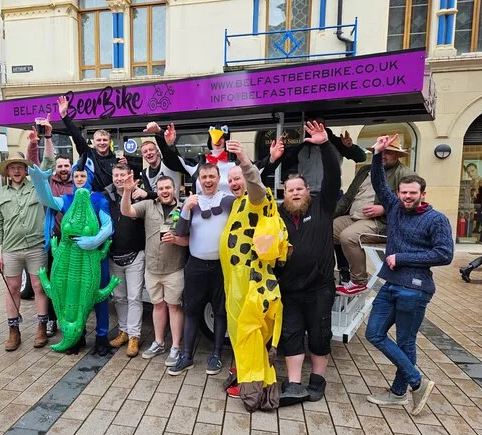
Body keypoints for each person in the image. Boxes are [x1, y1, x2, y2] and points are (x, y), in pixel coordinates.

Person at [364, 134, 453, 416]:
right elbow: (379, 183)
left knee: (405, 341)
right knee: (374, 333)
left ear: (422, 193)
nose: (407, 196)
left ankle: (399, 392)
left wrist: (402, 258)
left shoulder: (436, 219)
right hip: (391, 284)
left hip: (415, 289)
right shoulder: (394, 208)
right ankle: (417, 381)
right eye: (403, 192)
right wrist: (377, 155)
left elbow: (444, 254)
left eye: (412, 193)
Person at [219, 140, 291, 411]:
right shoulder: (239, 203)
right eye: (231, 180)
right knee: (240, 332)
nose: (234, 183)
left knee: (251, 333)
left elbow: (257, 186)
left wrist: (245, 162)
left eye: (237, 178)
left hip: (251, 281)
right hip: (236, 282)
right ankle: (243, 374)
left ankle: (256, 390)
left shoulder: (255, 199)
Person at [274, 121, 340, 406]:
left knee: (319, 335)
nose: (295, 193)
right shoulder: (277, 214)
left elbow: (334, 177)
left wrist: (325, 145)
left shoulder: (323, 206)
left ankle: (317, 380)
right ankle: (293, 383)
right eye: (290, 190)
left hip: (319, 288)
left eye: (299, 188)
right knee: (290, 335)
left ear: (308, 190)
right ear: (284, 194)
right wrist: (272, 161)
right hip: (289, 290)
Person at [30, 153, 115, 356]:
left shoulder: (98, 199)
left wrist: (94, 241)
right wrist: (39, 181)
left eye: (83, 176)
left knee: (99, 297)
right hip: (70, 260)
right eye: (76, 176)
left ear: (89, 177)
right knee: (74, 295)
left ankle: (102, 337)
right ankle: (79, 336)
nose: (79, 179)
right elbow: (47, 200)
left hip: (94, 257)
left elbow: (108, 226)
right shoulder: (67, 199)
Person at [170, 157, 241, 376]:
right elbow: (180, 232)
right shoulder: (192, 202)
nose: (208, 180)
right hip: (196, 265)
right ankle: (187, 356)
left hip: (222, 267)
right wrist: (185, 208)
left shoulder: (229, 201)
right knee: (191, 310)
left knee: (220, 312)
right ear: (198, 180)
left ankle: (216, 355)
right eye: (204, 177)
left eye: (212, 176)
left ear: (219, 178)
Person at [120, 174, 189, 367]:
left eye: (168, 187)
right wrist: (127, 191)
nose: (165, 191)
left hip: (174, 269)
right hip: (152, 268)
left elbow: (190, 240)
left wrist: (176, 240)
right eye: (161, 188)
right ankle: (159, 342)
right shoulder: (149, 205)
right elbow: (126, 211)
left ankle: (175, 347)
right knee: (158, 305)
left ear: (174, 189)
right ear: (157, 190)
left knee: (174, 307)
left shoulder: (183, 209)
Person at [0, 153, 51, 351]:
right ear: (7, 171)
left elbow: (48, 164)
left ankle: (41, 327)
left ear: (26, 170)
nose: (16, 170)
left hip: (36, 246)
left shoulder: (37, 187)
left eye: (20, 167)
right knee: (13, 287)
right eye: (12, 167)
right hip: (11, 248)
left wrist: (46, 139)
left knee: (39, 287)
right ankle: (13, 330)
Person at [333, 144, 414, 295]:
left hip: (380, 223)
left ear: (397, 155)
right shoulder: (365, 170)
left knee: (348, 237)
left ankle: (359, 282)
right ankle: (324, 274)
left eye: (388, 152)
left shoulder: (405, 174)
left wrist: (384, 209)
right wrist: (326, 217)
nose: (383, 155)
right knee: (322, 230)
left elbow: (412, 203)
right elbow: (348, 197)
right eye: (380, 152)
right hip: (354, 217)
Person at [26, 114, 73, 337]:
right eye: (60, 165)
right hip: (53, 240)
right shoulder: (48, 182)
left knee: (70, 283)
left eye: (67, 165)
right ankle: (52, 319)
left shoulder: (77, 184)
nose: (63, 168)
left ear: (72, 167)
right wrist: (38, 141)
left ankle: (70, 318)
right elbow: (34, 166)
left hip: (73, 243)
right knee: (54, 281)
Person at [146, 122, 283, 194]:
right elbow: (174, 162)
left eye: (222, 137)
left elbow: (258, 171)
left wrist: (272, 158)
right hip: (204, 216)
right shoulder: (199, 162)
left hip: (233, 218)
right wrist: (163, 137)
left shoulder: (238, 161)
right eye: (214, 137)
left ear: (226, 139)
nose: (217, 141)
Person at [103, 163, 148, 357]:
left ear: (130, 175)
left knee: (134, 297)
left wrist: (146, 193)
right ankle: (123, 331)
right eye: (116, 175)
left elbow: (160, 198)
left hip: (135, 255)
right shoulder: (106, 196)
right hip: (114, 256)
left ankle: (134, 336)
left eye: (123, 175)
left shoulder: (140, 195)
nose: (119, 178)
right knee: (119, 297)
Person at [274, 116, 367, 192]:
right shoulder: (302, 147)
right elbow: (283, 166)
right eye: (312, 125)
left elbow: (361, 157)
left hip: (332, 192)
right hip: (308, 192)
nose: (316, 128)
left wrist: (350, 147)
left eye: (319, 124)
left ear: (324, 126)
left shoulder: (336, 143)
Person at [56, 96, 122, 192]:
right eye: (99, 140)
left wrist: (124, 165)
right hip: (91, 197)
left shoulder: (116, 159)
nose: (102, 143)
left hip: (111, 199)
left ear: (110, 142)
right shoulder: (88, 154)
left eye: (105, 140)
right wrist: (64, 116)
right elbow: (77, 136)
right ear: (94, 142)